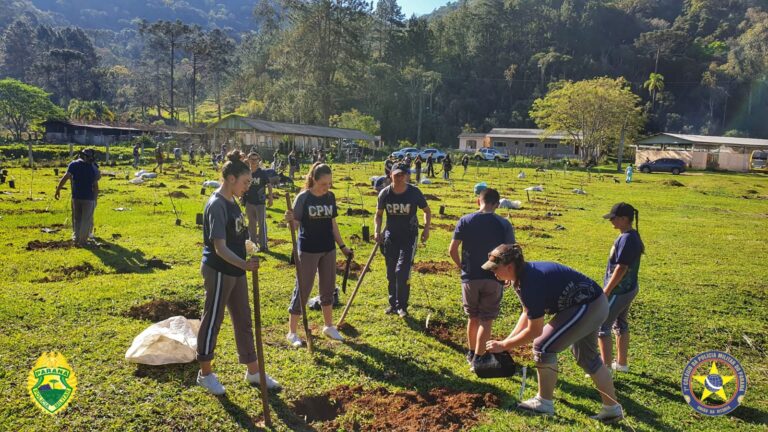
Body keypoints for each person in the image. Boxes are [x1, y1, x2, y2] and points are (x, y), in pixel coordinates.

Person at [483, 244, 623, 423]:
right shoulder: (521, 277)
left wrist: (504, 345)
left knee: (543, 346)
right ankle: (612, 409)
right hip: (593, 303)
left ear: (509, 267)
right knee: (588, 358)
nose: (494, 273)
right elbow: (527, 313)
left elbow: (535, 330)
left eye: (496, 269)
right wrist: (507, 342)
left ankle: (544, 402)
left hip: (588, 306)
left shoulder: (531, 282)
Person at [196, 150, 280, 395]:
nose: (247, 188)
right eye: (245, 183)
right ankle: (205, 373)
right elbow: (219, 248)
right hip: (220, 270)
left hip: (237, 270)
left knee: (243, 319)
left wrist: (249, 247)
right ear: (231, 178)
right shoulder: (216, 205)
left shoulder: (233, 202)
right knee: (213, 318)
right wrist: (244, 265)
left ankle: (253, 370)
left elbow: (238, 235)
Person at [285, 163, 352, 347]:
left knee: (328, 287)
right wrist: (290, 220)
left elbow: (333, 224)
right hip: (308, 249)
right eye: (323, 184)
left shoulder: (330, 197)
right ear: (314, 179)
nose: (327, 187)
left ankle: (328, 326)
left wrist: (342, 246)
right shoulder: (303, 198)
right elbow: (295, 226)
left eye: (329, 183)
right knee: (303, 287)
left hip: (328, 248)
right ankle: (292, 332)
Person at [448, 188, 515, 370]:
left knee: (473, 317)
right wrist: (509, 274)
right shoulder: (503, 224)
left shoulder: (465, 220)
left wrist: (461, 266)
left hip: (470, 277)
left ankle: (471, 353)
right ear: (497, 204)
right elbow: (510, 252)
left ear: (479, 201)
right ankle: (479, 358)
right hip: (494, 277)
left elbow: (452, 250)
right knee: (486, 320)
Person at [374, 162, 432, 317]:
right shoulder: (385, 194)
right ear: (390, 175)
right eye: (396, 175)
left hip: (409, 236)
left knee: (402, 271)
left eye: (402, 175)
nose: (399, 178)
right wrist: (377, 231)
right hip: (391, 236)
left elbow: (427, 211)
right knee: (391, 273)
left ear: (407, 175)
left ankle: (402, 306)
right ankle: (393, 304)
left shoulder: (414, 193)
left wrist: (426, 228)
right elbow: (379, 215)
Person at [598, 203, 644, 374]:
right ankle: (622, 364)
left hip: (619, 290)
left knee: (602, 327)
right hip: (629, 288)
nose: (611, 221)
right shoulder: (630, 235)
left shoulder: (627, 239)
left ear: (625, 219)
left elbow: (621, 268)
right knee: (621, 324)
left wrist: (607, 290)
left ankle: (605, 368)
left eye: (614, 218)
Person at [54, 148, 100, 247]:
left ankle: (76, 238)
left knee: (77, 218)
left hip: (76, 197)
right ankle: (83, 241)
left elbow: (65, 177)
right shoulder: (93, 168)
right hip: (88, 198)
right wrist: (95, 199)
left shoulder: (73, 165)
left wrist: (58, 189)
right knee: (86, 220)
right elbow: (95, 186)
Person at [242, 152, 274, 253]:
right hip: (249, 202)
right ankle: (253, 245)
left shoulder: (262, 173)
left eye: (256, 159)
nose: (254, 161)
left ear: (258, 160)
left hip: (260, 203)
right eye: (252, 159)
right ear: (248, 160)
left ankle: (263, 246)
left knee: (261, 224)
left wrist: (270, 197)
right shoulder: (246, 172)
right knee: (251, 224)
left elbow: (268, 185)